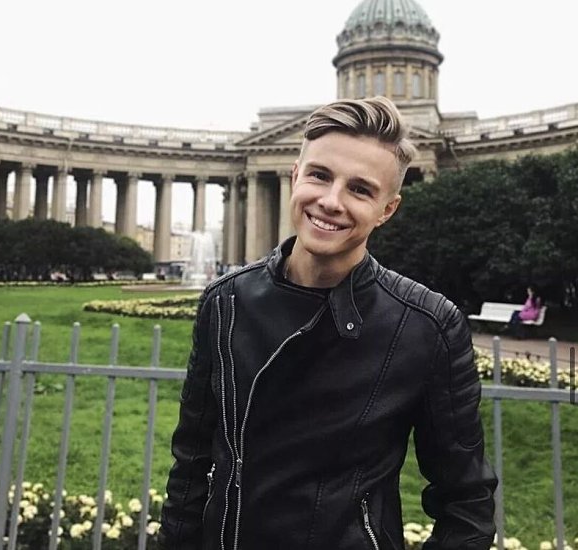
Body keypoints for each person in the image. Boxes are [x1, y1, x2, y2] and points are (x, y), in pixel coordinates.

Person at [159, 97, 497, 550]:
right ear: (295, 175)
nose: (331, 201)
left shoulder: (426, 325)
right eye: (320, 175)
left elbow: (467, 504)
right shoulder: (226, 301)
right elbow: (190, 468)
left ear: (388, 209)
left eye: (360, 189)